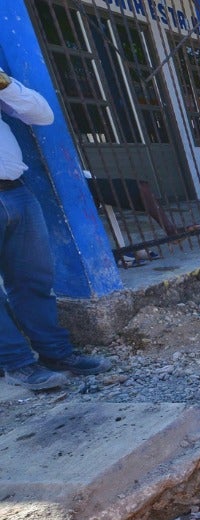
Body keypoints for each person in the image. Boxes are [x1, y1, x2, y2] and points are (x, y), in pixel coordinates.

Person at [0, 69, 111, 391]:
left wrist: (5, 85)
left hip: (16, 191)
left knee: (33, 280)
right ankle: (16, 363)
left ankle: (56, 353)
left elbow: (42, 115)